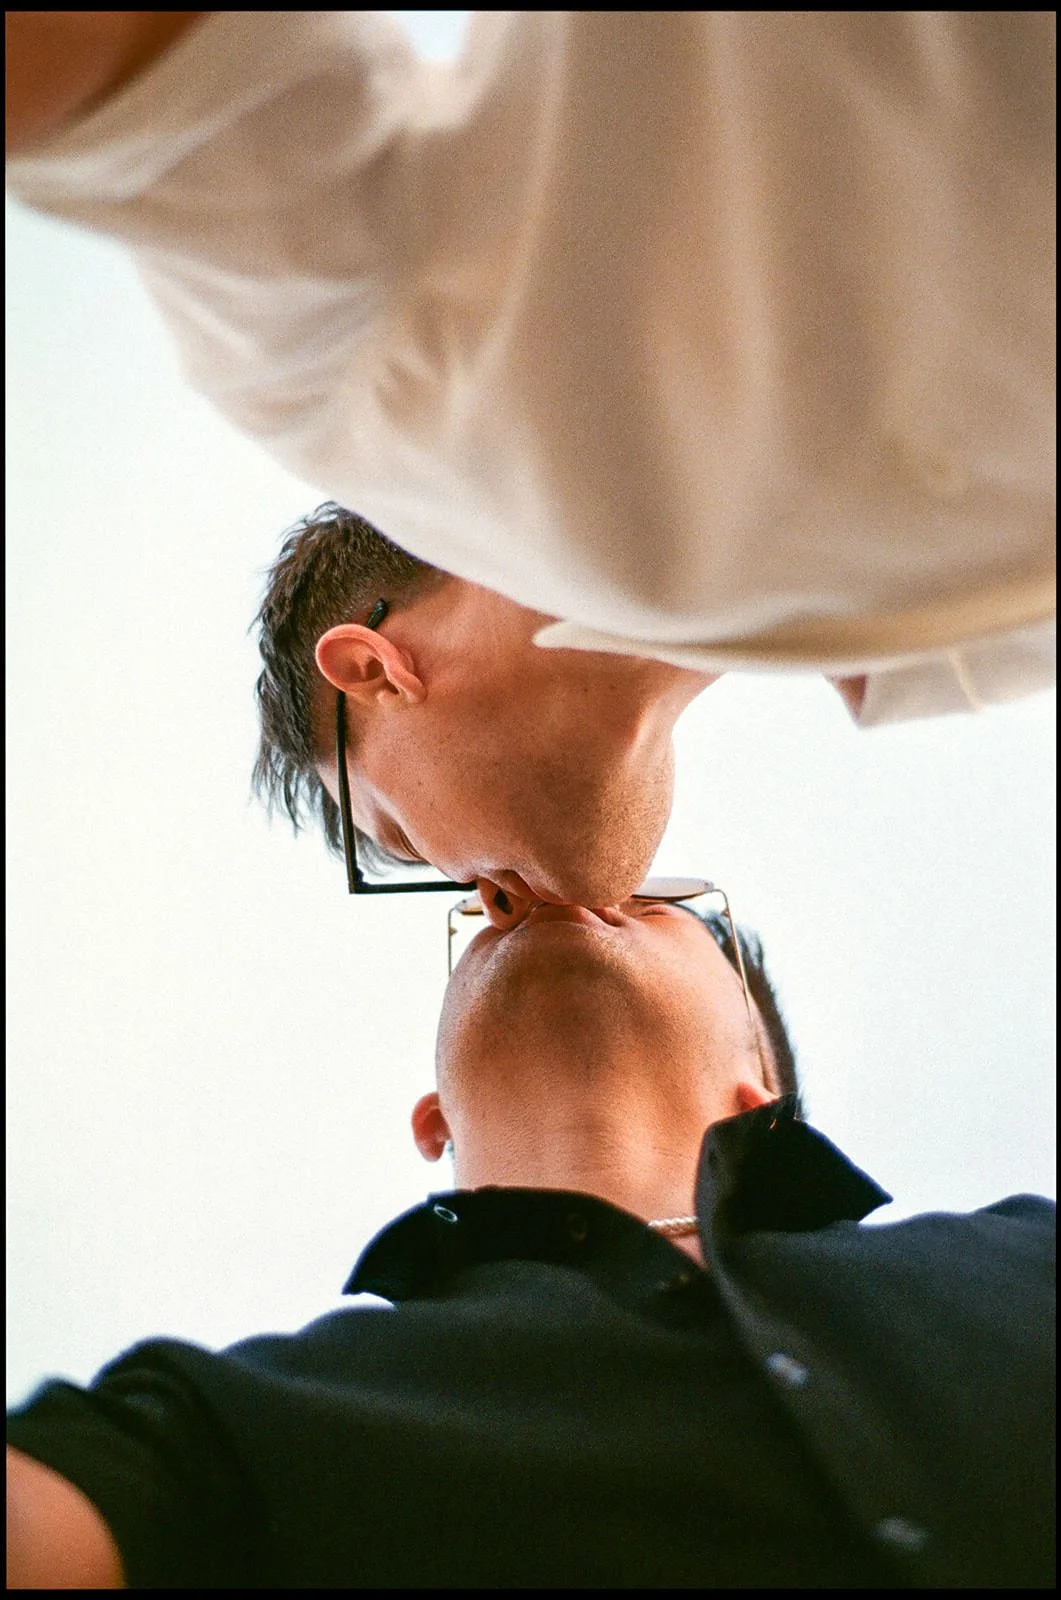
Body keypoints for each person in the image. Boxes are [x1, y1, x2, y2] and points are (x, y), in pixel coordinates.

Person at [6, 14, 1054, 760]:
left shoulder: (368, 394)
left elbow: (136, 62)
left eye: (396, 846)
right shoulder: (992, 641)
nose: (486, 907)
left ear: (370, 670)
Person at [7, 887, 1054, 1587]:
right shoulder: (231, 1424)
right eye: (486, 909)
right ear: (434, 1121)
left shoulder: (1034, 1258)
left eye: (654, 891)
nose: (543, 889)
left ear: (761, 1090)